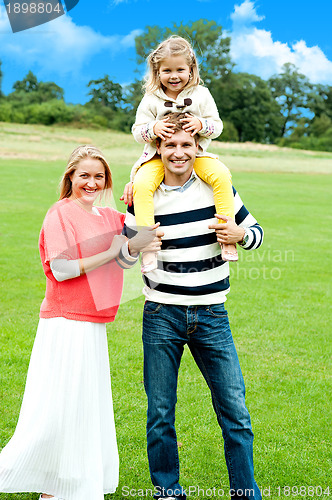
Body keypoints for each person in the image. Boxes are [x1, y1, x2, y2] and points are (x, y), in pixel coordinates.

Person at [0, 145, 161, 500]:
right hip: (64, 323)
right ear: (70, 176)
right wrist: (115, 250)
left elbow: (125, 260)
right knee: (58, 406)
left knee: (83, 407)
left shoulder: (107, 217)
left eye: (99, 176)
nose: (92, 182)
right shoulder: (60, 214)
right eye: (84, 175)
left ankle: (66, 485)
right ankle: (46, 485)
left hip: (93, 323)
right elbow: (62, 269)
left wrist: (136, 205)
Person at [123, 113, 264, 500]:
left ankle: (245, 493)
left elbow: (257, 232)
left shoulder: (217, 189)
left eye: (187, 145)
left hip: (212, 314)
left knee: (235, 413)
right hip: (161, 315)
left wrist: (241, 235)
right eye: (171, 145)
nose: (179, 152)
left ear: (198, 148)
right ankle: (167, 492)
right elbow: (122, 256)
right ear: (158, 149)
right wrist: (134, 244)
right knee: (160, 415)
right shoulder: (144, 196)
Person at [130, 35, 238, 272]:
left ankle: (227, 238)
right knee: (142, 184)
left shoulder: (201, 94)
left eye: (180, 69)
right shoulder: (151, 99)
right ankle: (148, 247)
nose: (174, 76)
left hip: (195, 156)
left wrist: (201, 125)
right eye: (167, 71)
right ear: (157, 73)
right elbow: (137, 131)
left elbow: (217, 126)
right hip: (157, 159)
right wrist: (153, 128)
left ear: (191, 70)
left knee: (221, 174)